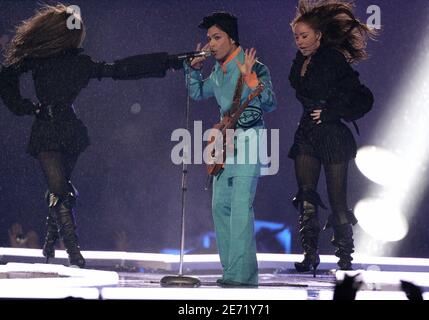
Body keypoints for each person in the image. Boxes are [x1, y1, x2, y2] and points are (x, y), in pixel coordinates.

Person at [0, 4, 182, 268]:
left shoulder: (74, 63)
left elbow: (122, 69)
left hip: (65, 130)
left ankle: (52, 244)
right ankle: (71, 251)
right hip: (52, 130)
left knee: (59, 189)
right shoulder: (42, 60)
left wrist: (167, 62)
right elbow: (7, 78)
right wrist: (23, 106)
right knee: (61, 189)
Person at [185, 11, 276, 286]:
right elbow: (198, 93)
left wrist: (250, 79)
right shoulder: (217, 71)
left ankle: (243, 277)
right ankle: (230, 272)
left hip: (249, 138)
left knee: (239, 206)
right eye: (209, 38)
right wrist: (192, 70)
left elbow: (270, 102)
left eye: (216, 37)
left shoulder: (253, 66)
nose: (210, 44)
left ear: (231, 38)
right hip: (226, 144)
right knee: (220, 205)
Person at [288, 0, 375, 274]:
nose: (299, 41)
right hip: (306, 134)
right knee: (306, 197)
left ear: (319, 35)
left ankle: (345, 259)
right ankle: (309, 254)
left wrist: (330, 112)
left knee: (337, 200)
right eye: (296, 37)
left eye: (304, 36)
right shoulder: (301, 60)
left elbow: (362, 97)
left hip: (332, 136)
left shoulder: (332, 59)